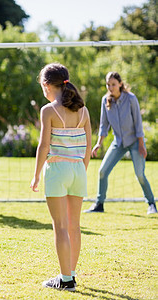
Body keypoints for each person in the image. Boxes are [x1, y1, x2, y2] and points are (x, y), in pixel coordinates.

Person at [30, 63, 91, 291]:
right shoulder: (83, 110)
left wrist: (36, 176)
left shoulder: (48, 110)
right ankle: (71, 274)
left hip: (57, 170)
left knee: (61, 227)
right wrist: (81, 170)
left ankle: (65, 280)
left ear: (47, 85)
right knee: (74, 227)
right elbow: (87, 148)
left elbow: (44, 146)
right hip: (78, 170)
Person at [85, 72, 156, 215]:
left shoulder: (131, 99)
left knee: (140, 175)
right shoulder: (105, 100)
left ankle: (151, 204)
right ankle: (99, 204)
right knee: (102, 172)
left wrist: (141, 144)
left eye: (113, 84)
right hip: (118, 143)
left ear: (120, 84)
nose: (111, 87)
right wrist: (99, 143)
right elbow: (103, 125)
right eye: (108, 85)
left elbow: (138, 123)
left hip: (135, 142)